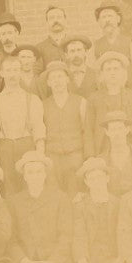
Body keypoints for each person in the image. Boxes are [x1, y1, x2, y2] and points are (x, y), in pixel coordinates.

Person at [0, 53, 46, 196]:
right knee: (9, 194)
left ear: (21, 72)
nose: (12, 75)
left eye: (16, 70)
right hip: (4, 151)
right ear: (2, 73)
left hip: (28, 148)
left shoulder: (33, 99)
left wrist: (39, 158)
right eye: (9, 71)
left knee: (30, 190)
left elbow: (39, 131)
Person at [40, 60, 93, 193]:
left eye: (60, 77)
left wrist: (88, 156)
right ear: (48, 83)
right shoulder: (42, 105)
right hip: (52, 157)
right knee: (54, 194)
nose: (57, 81)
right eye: (53, 78)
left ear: (67, 79)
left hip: (75, 156)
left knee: (76, 193)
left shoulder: (80, 102)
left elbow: (87, 132)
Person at [88, 51, 132, 140]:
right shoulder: (94, 98)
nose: (112, 73)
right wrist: (90, 154)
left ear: (123, 71)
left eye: (116, 69)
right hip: (103, 148)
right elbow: (89, 129)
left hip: (129, 145)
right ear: (102, 73)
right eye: (108, 69)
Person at [98, 110, 132, 196]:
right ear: (107, 132)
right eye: (113, 129)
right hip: (112, 206)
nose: (117, 133)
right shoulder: (101, 160)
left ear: (127, 129)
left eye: (120, 128)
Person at [0, 16, 23, 94]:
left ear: (17, 33)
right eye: (3, 34)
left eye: (10, 33)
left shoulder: (24, 55)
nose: (7, 37)